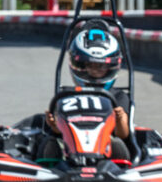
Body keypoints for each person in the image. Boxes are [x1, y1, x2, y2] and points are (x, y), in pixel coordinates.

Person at [42, 22, 133, 160]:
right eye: (90, 65)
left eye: (101, 65)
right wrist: (54, 126)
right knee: (50, 142)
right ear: (79, 64)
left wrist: (119, 119)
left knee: (118, 144)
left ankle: (121, 167)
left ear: (112, 66)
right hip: (69, 153)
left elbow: (124, 135)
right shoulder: (66, 95)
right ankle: (47, 167)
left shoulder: (119, 97)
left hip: (108, 155)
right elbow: (58, 132)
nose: (96, 70)